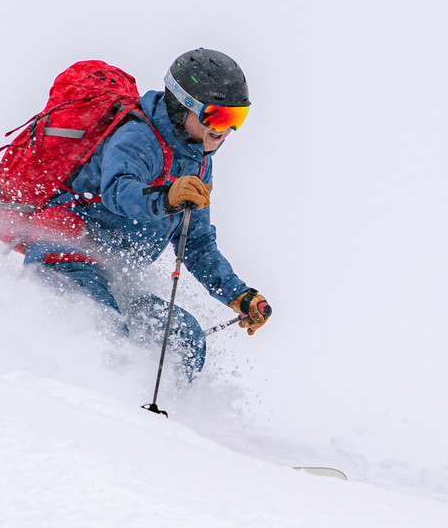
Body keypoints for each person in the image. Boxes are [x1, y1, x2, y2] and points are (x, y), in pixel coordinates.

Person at [21, 48, 271, 380]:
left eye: (237, 119)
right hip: (64, 257)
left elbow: (194, 242)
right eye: (219, 117)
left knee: (184, 337)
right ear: (184, 105)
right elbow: (118, 191)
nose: (225, 131)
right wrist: (166, 197)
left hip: (112, 276)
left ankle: (165, 425)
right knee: (108, 337)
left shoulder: (198, 160)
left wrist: (237, 294)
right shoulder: (138, 136)